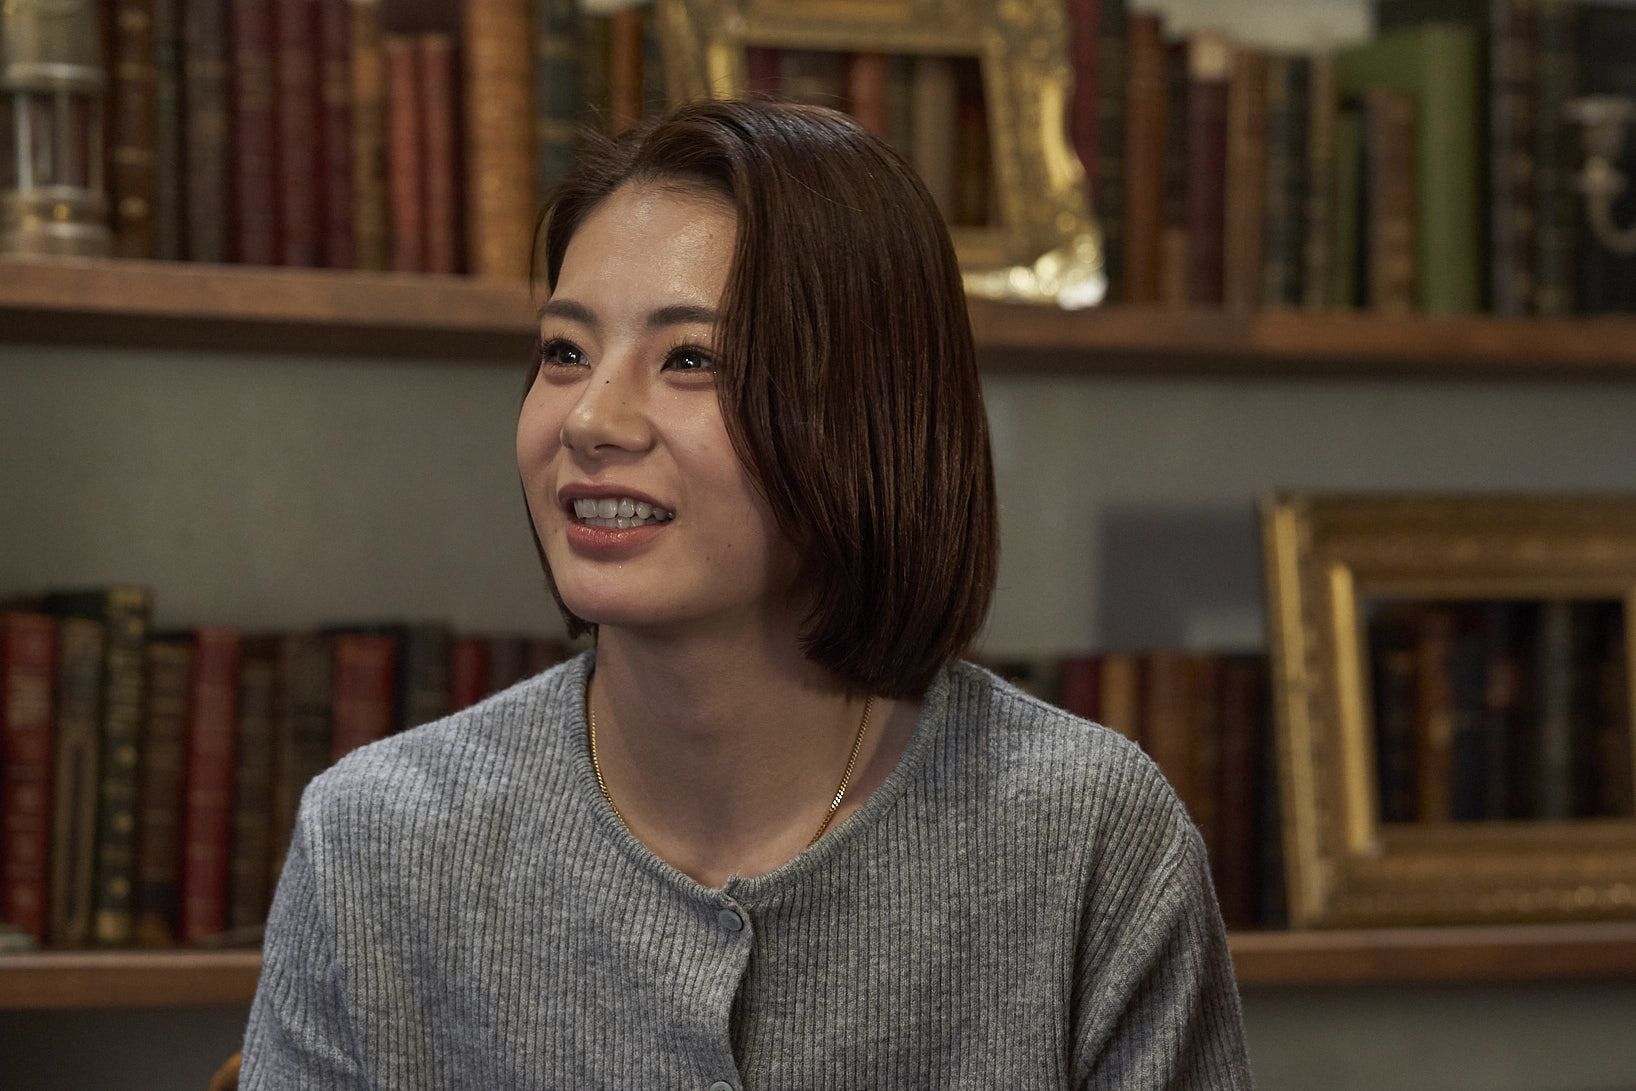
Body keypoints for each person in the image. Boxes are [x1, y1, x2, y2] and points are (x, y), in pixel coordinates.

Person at [241, 99, 1253, 1089]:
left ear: (866, 413)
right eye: (564, 352)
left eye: (690, 358)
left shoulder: (1090, 838)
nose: (590, 418)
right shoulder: (372, 841)